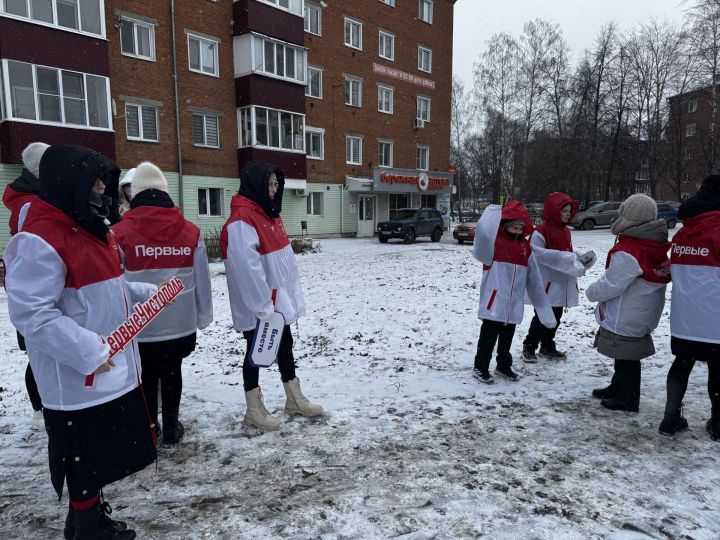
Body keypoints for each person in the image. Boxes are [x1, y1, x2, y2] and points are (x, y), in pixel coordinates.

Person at [3, 145, 157, 539]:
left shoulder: (91, 226)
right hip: (75, 377)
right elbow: (33, 314)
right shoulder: (38, 238)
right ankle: (88, 528)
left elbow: (102, 287)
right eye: (96, 178)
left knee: (97, 455)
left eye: (105, 178)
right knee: (82, 457)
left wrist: (136, 293)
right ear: (69, 182)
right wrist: (88, 351)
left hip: (105, 367)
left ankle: (88, 518)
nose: (103, 186)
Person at [112, 161, 213, 445]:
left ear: (137, 193)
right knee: (173, 373)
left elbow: (114, 285)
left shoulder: (119, 234)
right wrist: (203, 317)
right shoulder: (190, 232)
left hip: (139, 327)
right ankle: (170, 427)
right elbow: (202, 279)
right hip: (180, 325)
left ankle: (149, 431)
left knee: (144, 378)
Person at [221, 161, 323, 431]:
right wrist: (264, 307)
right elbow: (247, 269)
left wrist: (283, 302)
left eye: (277, 184)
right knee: (256, 353)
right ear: (256, 184)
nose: (274, 189)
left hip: (276, 304)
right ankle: (253, 409)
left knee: (285, 345)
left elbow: (281, 262)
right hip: (261, 308)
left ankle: (294, 399)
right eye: (269, 184)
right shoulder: (242, 220)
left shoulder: (270, 214)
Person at [586, 194, 670, 412]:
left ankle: (628, 398)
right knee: (624, 353)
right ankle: (619, 386)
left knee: (627, 356)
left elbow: (612, 283)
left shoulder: (631, 250)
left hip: (628, 310)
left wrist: (592, 292)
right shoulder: (652, 244)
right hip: (643, 309)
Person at [659, 175, 720, 440]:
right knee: (718, 369)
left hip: (685, 317)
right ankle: (718, 424)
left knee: (682, 363)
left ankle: (670, 418)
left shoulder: (684, 232)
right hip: (715, 318)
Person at [472, 200, 557, 384]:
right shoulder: (493, 245)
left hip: (513, 305)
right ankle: (480, 366)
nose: (518, 232)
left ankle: (503, 366)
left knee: (506, 339)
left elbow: (534, 281)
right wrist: (493, 212)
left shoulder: (526, 249)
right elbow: (483, 234)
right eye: (514, 228)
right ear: (505, 225)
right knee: (488, 338)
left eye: (520, 228)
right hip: (494, 304)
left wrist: (545, 312)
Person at [2, 142, 49, 417]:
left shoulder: (32, 198)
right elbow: (30, 248)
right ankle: (39, 407)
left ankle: (41, 406)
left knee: (40, 348)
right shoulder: (30, 204)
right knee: (38, 349)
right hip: (31, 287)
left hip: (30, 284)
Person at [522, 193, 596, 362]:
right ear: (554, 211)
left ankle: (547, 346)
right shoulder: (541, 231)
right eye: (564, 211)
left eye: (570, 211)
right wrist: (567, 258)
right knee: (542, 316)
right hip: (545, 282)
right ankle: (529, 345)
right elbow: (536, 253)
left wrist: (580, 256)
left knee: (556, 317)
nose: (568, 214)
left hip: (560, 282)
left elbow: (567, 250)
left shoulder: (564, 230)